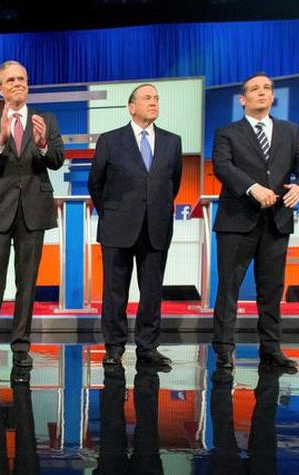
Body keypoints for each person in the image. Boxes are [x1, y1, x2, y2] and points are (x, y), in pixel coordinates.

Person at [210, 72, 299, 372]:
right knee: (229, 288)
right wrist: (251, 187)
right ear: (242, 99)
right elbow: (222, 166)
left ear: (272, 96)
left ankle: (271, 349)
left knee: (271, 289)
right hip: (237, 221)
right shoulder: (227, 133)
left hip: (277, 221)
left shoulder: (291, 131)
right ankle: (224, 350)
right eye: (255, 89)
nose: (262, 92)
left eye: (267, 88)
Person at [0, 60, 65, 370]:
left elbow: (57, 160)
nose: (17, 84)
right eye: (10, 80)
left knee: (27, 281)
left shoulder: (45, 120)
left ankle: (21, 345)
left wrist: (42, 144)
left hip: (33, 210)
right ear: (0, 88)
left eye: (22, 78)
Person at [88, 83, 183, 367]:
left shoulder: (172, 141)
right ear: (131, 107)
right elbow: (96, 183)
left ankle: (148, 347)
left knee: (152, 290)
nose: (153, 102)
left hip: (156, 226)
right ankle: (114, 347)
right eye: (147, 98)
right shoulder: (110, 140)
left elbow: (173, 183)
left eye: (156, 98)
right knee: (114, 290)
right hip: (117, 225)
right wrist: (113, 212)